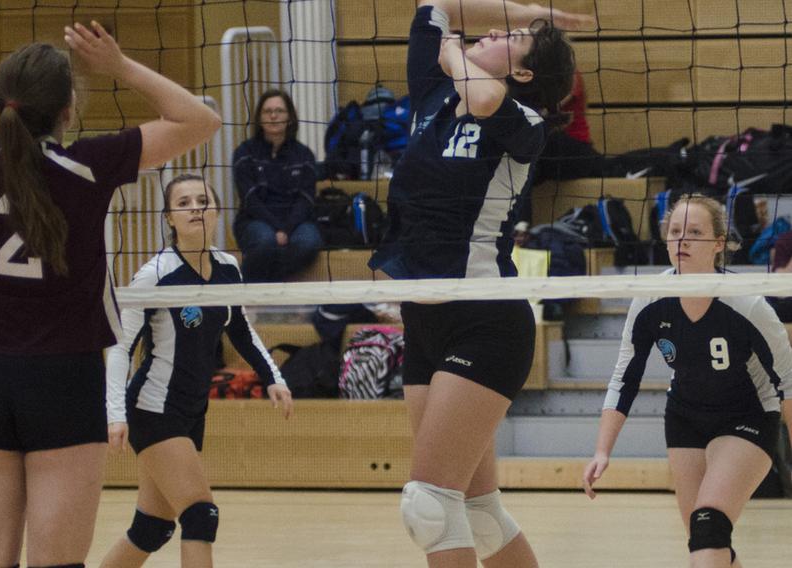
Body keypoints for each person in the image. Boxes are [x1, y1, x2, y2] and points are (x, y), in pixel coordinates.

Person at [0, 22, 221, 568]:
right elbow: (201, 119)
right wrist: (118, 65)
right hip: (66, 379)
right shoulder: (89, 167)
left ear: (2, 104)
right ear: (67, 109)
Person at [367, 2, 588, 567]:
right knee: (479, 513)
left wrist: (450, 50)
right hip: (425, 320)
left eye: (510, 38)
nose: (492, 31)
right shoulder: (435, 95)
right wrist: (536, 12)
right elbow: (437, 5)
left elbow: (485, 98)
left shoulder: (523, 122)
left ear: (523, 74)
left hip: (485, 322)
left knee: (428, 506)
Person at [583, 194, 792, 568]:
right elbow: (625, 376)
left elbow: (788, 384)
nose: (682, 241)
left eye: (694, 232)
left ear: (717, 244)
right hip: (685, 418)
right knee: (705, 541)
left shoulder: (748, 305)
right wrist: (602, 450)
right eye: (675, 231)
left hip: (748, 416)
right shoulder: (649, 299)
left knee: (708, 526)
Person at [101, 174, 293, 568]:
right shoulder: (155, 274)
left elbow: (240, 329)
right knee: (200, 514)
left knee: (152, 528)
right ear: (169, 218)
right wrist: (116, 414)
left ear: (216, 211)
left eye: (202, 200)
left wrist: (273, 376)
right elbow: (121, 347)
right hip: (153, 409)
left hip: (191, 411)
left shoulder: (227, 268)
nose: (194, 208)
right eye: (183, 203)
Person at [232, 89, 322, 282]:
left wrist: (286, 230)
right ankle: (243, 283)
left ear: (289, 117)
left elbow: (306, 200)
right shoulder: (244, 152)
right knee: (265, 241)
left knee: (309, 243)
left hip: (297, 221)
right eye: (267, 111)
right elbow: (250, 199)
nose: (273, 116)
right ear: (259, 117)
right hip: (254, 219)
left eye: (279, 111)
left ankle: (269, 282)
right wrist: (276, 230)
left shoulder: (304, 155)